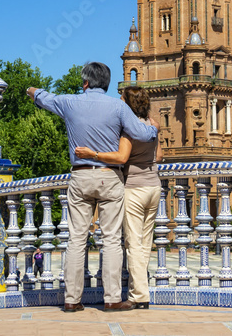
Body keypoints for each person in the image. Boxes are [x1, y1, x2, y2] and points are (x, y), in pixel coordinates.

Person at [29, 62, 158, 312]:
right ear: (106, 84)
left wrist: (31, 91)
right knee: (111, 240)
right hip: (110, 177)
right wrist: (153, 131)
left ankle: (72, 300)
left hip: (79, 176)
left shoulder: (69, 102)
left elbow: (43, 97)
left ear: (85, 83)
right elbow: (142, 133)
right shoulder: (118, 107)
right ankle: (111, 299)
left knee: (77, 239)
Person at [74, 86, 161, 310]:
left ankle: (139, 296)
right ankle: (138, 290)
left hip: (134, 188)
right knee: (145, 243)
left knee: (133, 244)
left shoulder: (128, 131)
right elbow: (159, 155)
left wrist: (92, 154)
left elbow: (121, 157)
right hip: (154, 186)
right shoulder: (153, 126)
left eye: (122, 100)